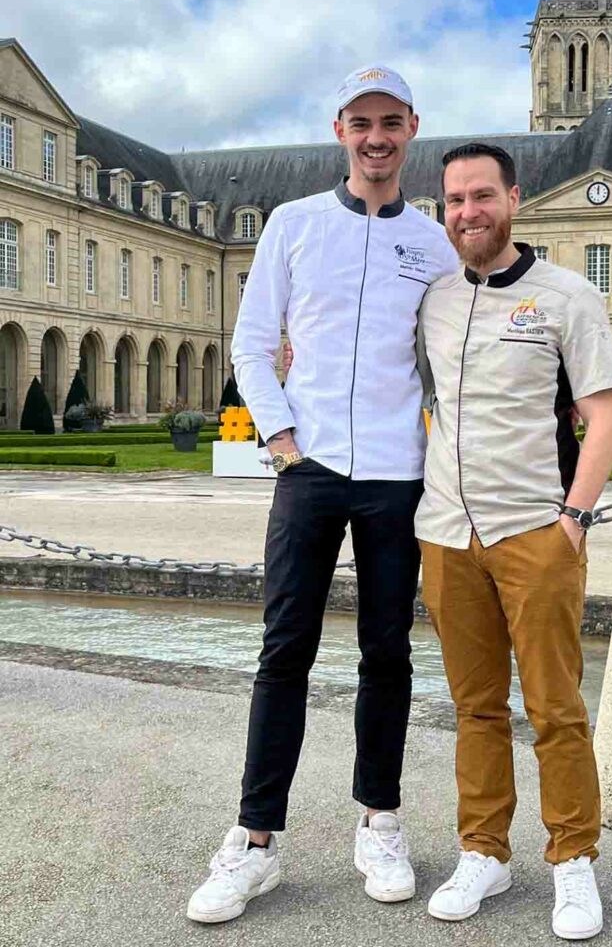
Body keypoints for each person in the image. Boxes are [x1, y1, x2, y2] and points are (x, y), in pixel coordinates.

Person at [186, 66, 458, 924]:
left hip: (395, 474)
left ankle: (379, 820)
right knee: (284, 650)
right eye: (360, 122)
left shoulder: (433, 241)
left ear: (412, 127)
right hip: (310, 473)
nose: (376, 138)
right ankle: (254, 839)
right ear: (340, 129)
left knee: (389, 653)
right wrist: (278, 437)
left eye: (390, 122)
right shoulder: (295, 223)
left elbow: (451, 361)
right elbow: (252, 340)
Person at [415, 143, 612, 939]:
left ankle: (572, 861)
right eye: (454, 200)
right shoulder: (432, 298)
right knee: (475, 709)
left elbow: (604, 416)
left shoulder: (567, 296)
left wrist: (573, 520)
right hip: (445, 532)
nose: (467, 212)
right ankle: (485, 853)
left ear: (514, 198)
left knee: (556, 708)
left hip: (535, 528)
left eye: (481, 196)